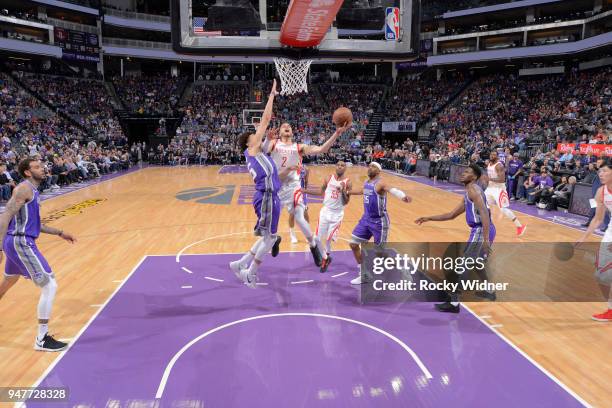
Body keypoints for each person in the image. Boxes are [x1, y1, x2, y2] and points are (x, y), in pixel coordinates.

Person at [0, 158, 77, 351]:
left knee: (9, 282)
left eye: (42, 166)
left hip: (17, 241)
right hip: (20, 242)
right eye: (36, 167)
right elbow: (5, 215)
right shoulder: (23, 189)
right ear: (27, 172)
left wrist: (60, 232)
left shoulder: (33, 191)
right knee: (50, 285)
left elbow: (34, 224)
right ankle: (41, 339)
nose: (42, 168)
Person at [265, 117, 351, 266]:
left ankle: (313, 248)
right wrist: (266, 139)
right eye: (283, 126)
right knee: (269, 220)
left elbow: (321, 149)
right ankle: (274, 239)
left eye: (289, 126)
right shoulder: (273, 143)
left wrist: (336, 134)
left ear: (292, 132)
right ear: (279, 132)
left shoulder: (299, 147)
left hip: (293, 187)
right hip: (276, 185)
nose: (286, 126)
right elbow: (262, 150)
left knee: (299, 217)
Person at [415, 164, 496, 313]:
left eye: (467, 172)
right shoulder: (468, 193)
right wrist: (428, 218)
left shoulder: (473, 190)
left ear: (474, 177)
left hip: (481, 230)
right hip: (482, 229)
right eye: (464, 171)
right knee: (477, 263)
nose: (463, 174)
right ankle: (489, 290)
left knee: (463, 266)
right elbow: (451, 215)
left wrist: (485, 239)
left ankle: (453, 303)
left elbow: (484, 213)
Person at [229, 80, 285, 288]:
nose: (258, 135)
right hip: (266, 197)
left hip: (270, 196)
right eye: (255, 136)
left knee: (267, 237)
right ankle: (249, 273)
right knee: (270, 238)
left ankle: (239, 264)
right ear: (249, 142)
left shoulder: (258, 152)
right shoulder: (251, 150)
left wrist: (268, 141)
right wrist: (271, 95)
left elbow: (267, 147)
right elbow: (266, 119)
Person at [348, 162, 411, 284]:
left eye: (374, 166)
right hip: (366, 220)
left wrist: (403, 196)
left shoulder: (381, 183)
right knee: (353, 244)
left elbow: (392, 189)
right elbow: (362, 190)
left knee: (380, 254)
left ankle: (403, 269)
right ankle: (364, 274)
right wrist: (348, 192)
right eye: (369, 166)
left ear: (378, 171)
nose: (370, 168)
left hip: (379, 222)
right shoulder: (367, 183)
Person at [576, 162, 612, 322]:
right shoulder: (601, 192)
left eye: (605, 171)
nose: (601, 173)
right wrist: (584, 237)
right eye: (600, 171)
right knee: (600, 275)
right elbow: (598, 219)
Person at [304, 161, 351, 273]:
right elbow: (321, 192)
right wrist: (305, 190)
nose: (340, 167)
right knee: (316, 239)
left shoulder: (348, 182)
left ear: (345, 168)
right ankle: (326, 258)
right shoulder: (328, 178)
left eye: (342, 165)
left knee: (329, 240)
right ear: (336, 167)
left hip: (337, 214)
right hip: (325, 211)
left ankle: (325, 259)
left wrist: (343, 191)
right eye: (338, 165)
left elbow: (346, 202)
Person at [485, 151, 526, 236]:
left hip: (499, 190)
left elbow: (502, 179)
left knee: (503, 209)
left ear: (497, 157)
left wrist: (489, 179)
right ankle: (484, 225)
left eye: (494, 155)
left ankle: (519, 226)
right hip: (490, 189)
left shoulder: (499, 165)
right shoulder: (489, 164)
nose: (492, 155)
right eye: (491, 154)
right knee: (483, 204)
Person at [288, 165, 310, 244]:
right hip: (291, 192)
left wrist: (305, 192)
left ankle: (307, 234)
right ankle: (292, 235)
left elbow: (306, 181)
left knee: (305, 213)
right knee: (292, 214)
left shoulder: (306, 168)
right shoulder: (289, 167)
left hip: (301, 192)